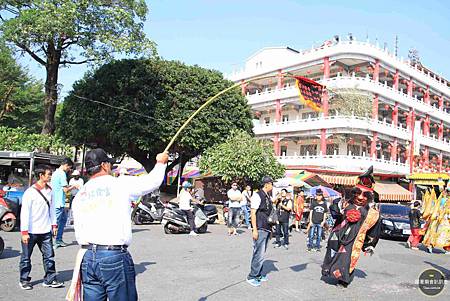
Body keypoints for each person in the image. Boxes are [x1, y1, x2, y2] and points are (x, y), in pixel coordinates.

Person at [70, 148, 168, 300]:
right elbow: (151, 182)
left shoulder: (81, 194)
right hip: (112, 255)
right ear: (104, 165)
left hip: (87, 256)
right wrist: (161, 163)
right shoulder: (119, 183)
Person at [321, 166, 381, 288]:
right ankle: (330, 272)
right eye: (358, 193)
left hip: (355, 240)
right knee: (333, 253)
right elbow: (335, 214)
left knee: (347, 259)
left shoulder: (372, 213)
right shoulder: (345, 203)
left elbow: (374, 230)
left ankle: (344, 280)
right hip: (338, 235)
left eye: (365, 195)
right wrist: (337, 206)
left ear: (369, 196)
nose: (360, 197)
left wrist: (369, 245)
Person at [19, 165, 64, 290]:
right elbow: (25, 213)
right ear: (41, 175)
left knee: (49, 257)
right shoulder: (30, 192)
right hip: (31, 232)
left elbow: (52, 210)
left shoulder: (50, 190)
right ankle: (24, 280)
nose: (50, 176)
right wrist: (24, 232)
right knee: (26, 258)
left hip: (45, 231)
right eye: (49, 174)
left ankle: (50, 279)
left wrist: (54, 225)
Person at [246, 176, 273, 287]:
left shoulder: (267, 196)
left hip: (266, 227)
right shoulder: (257, 195)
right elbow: (253, 213)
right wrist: (254, 230)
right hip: (260, 227)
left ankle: (258, 274)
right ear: (266, 184)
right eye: (271, 183)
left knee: (262, 252)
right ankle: (252, 276)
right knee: (259, 252)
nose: (272, 186)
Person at [51, 157, 75, 248]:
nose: (69, 170)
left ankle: (58, 239)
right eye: (69, 167)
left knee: (62, 221)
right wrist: (73, 187)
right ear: (65, 165)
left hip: (58, 201)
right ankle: (53, 241)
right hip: (58, 202)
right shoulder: (62, 174)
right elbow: (65, 190)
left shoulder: (55, 173)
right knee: (56, 223)